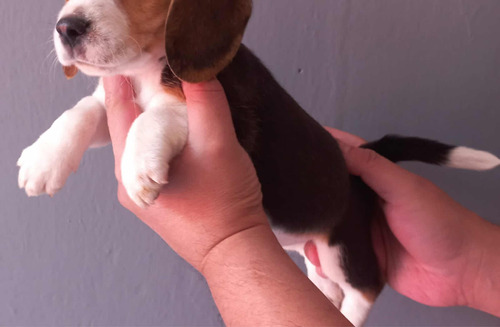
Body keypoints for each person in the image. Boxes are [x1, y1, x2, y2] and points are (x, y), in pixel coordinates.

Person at [103, 76, 500, 326]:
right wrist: (471, 262)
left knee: (349, 274)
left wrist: (224, 245)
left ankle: (360, 297)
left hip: (319, 209)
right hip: (311, 205)